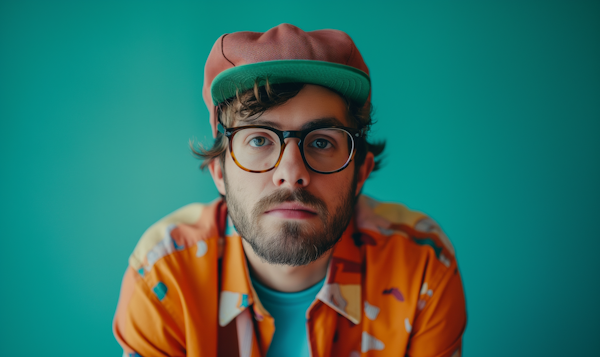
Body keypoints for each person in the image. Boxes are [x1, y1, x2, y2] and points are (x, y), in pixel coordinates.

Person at [113, 24, 467, 357]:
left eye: (322, 142)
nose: (291, 173)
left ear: (361, 172)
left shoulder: (421, 266)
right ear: (219, 172)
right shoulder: (164, 275)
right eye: (258, 139)